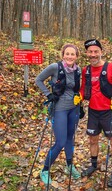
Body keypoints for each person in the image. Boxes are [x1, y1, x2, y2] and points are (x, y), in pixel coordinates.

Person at [74, 39, 112, 187]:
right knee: (92, 140)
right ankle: (94, 164)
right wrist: (80, 96)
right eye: (90, 52)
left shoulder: (111, 68)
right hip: (93, 111)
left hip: (109, 111)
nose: (93, 54)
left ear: (101, 52)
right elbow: (84, 88)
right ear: (86, 53)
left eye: (96, 51)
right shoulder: (86, 70)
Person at [35, 43, 81, 185]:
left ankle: (69, 165)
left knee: (69, 138)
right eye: (67, 53)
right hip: (60, 109)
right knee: (60, 141)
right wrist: (48, 94)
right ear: (63, 54)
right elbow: (38, 80)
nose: (69, 56)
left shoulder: (78, 70)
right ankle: (45, 170)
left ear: (77, 56)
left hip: (74, 108)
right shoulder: (55, 67)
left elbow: (78, 88)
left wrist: (80, 99)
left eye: (72, 54)